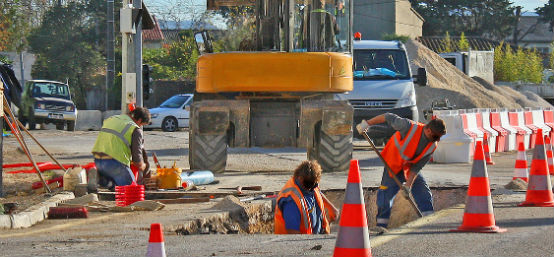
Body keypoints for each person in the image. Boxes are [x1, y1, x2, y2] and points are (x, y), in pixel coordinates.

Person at [356, 113, 446, 228]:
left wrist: (408, 185)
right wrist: (367, 124)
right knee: (385, 196)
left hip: (408, 168)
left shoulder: (432, 146)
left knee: (423, 191)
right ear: (428, 130)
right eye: (436, 136)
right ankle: (381, 227)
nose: (437, 140)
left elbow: (416, 167)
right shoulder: (408, 126)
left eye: (439, 137)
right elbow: (388, 116)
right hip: (393, 164)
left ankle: (429, 222)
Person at [91, 107, 151, 190]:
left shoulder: (113, 119)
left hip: (98, 161)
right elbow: (137, 160)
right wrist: (143, 166)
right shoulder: (134, 129)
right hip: (115, 163)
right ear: (140, 120)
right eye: (142, 125)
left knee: (114, 192)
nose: (140, 126)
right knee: (132, 190)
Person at [274, 160, 339, 234]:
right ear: (300, 178)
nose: (311, 188)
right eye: (309, 185)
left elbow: (316, 191)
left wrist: (331, 208)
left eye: (314, 185)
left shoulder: (310, 184)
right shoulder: (291, 202)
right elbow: (292, 232)